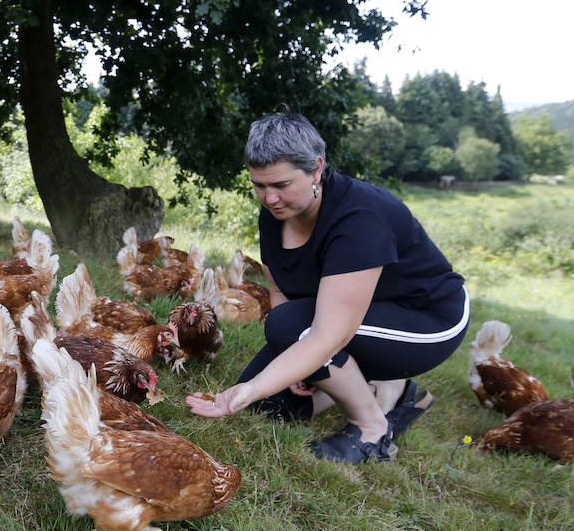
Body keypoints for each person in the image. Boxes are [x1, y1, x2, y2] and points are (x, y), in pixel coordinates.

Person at [187, 112, 469, 462]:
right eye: (259, 185)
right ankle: (380, 387)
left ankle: (372, 427)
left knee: (289, 331)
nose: (269, 198)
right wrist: (291, 361)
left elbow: (323, 335)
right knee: (271, 405)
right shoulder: (275, 214)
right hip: (352, 315)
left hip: (426, 321)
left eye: (281, 185)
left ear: (317, 169)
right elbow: (281, 295)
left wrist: (249, 388)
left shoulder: (360, 219)